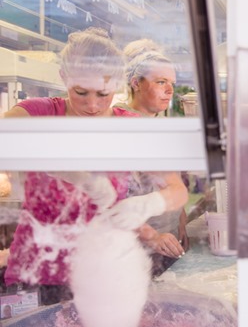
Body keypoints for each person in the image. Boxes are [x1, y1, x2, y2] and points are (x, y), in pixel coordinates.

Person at [2, 28, 188, 304]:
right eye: (81, 92)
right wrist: (67, 169)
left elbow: (177, 191)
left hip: (101, 272)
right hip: (38, 272)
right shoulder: (35, 113)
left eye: (103, 93)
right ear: (64, 78)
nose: (92, 105)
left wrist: (148, 204)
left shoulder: (131, 127)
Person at [119, 39, 190, 275]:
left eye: (171, 83)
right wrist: (153, 236)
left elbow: (172, 182)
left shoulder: (160, 125)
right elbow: (111, 202)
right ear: (135, 83)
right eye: (161, 82)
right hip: (135, 251)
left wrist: (181, 219)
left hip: (167, 245)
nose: (170, 90)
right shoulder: (121, 126)